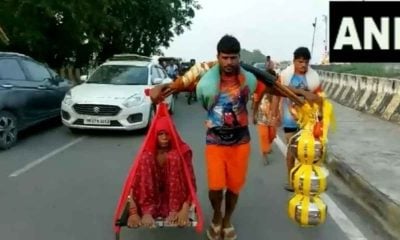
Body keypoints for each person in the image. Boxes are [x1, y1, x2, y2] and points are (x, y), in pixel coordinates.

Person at [148, 35, 319, 239]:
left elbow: (275, 88)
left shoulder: (250, 79)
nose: (229, 62)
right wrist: (159, 88)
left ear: (239, 58)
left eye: (233, 58)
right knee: (215, 188)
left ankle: (227, 219)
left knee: (234, 187)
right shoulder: (206, 79)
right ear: (218, 57)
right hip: (215, 141)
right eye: (225, 57)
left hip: (241, 142)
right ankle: (217, 216)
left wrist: (301, 93)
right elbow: (179, 85)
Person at [126, 116, 196, 228]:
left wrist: (185, 208)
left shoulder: (183, 152)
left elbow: (191, 182)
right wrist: (133, 213)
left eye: (167, 134)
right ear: (155, 135)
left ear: (172, 135)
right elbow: (134, 184)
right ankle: (147, 210)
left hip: (175, 199)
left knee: (174, 157)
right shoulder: (147, 152)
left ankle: (174, 209)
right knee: (145, 157)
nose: (164, 138)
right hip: (152, 196)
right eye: (160, 134)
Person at [275, 47, 323, 192]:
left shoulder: (314, 79)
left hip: (308, 121)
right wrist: (275, 113)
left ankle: (303, 180)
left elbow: (319, 99)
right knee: (292, 150)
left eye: (306, 62)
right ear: (294, 61)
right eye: (300, 61)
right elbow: (277, 93)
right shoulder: (285, 76)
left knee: (305, 152)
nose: (303, 65)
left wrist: (320, 116)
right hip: (289, 119)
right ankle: (291, 180)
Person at [252, 90, 278, 165]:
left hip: (271, 117)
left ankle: (267, 145)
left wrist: (277, 115)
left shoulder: (273, 92)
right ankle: (264, 154)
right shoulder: (258, 92)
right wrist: (254, 115)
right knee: (263, 136)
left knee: (272, 135)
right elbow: (256, 104)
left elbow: (278, 103)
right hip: (261, 118)